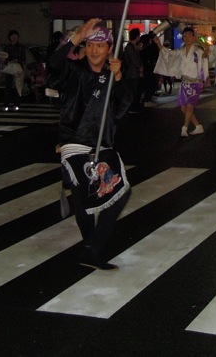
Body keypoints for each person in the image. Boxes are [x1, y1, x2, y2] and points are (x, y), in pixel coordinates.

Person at [52, 19, 132, 271]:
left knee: (111, 193)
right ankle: (93, 248)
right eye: (90, 44)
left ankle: (90, 247)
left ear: (110, 48)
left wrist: (118, 78)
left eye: (101, 45)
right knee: (90, 196)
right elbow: (53, 64)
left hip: (101, 146)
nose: (95, 50)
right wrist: (77, 36)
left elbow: (122, 110)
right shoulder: (74, 72)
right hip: (75, 144)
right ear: (85, 47)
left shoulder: (111, 76)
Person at [155, 27, 209, 137]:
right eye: (185, 36)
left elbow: (206, 52)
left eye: (189, 35)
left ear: (193, 37)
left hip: (195, 82)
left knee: (190, 106)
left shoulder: (198, 51)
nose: (187, 38)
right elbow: (169, 55)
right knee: (183, 108)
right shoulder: (181, 51)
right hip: (185, 83)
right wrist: (159, 45)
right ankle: (198, 126)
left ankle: (184, 128)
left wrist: (198, 40)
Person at [2, 29, 28, 111]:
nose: (14, 38)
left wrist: (18, 60)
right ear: (10, 38)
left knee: (18, 87)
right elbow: (4, 58)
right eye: (12, 36)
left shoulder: (21, 47)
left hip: (18, 68)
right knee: (8, 87)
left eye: (15, 36)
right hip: (9, 68)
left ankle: (16, 104)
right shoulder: (7, 47)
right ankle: (6, 105)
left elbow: (24, 59)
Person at [121, 28, 144, 113]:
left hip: (133, 73)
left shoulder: (132, 47)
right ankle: (133, 107)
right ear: (137, 36)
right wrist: (140, 67)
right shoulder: (130, 47)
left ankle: (134, 106)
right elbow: (134, 59)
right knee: (134, 91)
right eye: (139, 35)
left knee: (135, 90)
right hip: (131, 73)